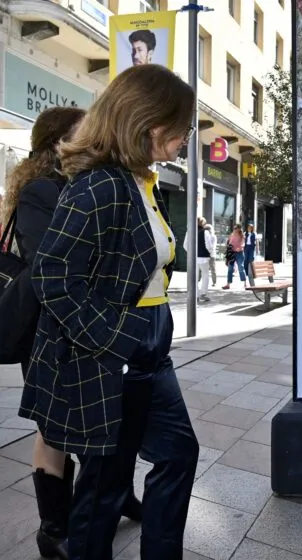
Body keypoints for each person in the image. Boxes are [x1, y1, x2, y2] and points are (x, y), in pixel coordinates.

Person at [18, 64, 200, 560]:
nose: (186, 138)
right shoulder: (100, 185)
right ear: (150, 123)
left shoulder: (142, 180)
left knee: (177, 454)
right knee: (105, 486)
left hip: (151, 352)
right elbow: (53, 274)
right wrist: (115, 341)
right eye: (182, 127)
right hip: (114, 354)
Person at [1, 107, 144, 560]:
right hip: (47, 331)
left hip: (88, 324)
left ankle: (116, 494)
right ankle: (53, 528)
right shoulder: (41, 191)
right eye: (87, 131)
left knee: (99, 419)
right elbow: (50, 264)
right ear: (60, 140)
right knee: (54, 429)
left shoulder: (89, 184)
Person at [184, 216, 214, 302]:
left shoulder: (189, 231)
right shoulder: (205, 232)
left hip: (193, 258)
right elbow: (208, 245)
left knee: (194, 276)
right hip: (204, 257)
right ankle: (203, 294)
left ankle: (196, 295)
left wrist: (191, 253)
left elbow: (185, 245)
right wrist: (211, 253)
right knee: (205, 275)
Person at [222, 224, 246, 290]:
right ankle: (228, 284)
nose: (234, 229)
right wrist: (228, 247)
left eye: (236, 228)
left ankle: (245, 283)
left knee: (241, 267)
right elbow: (229, 242)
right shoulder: (232, 234)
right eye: (234, 228)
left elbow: (243, 243)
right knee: (230, 268)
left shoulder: (242, 235)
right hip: (232, 253)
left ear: (239, 229)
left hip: (239, 253)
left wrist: (240, 247)